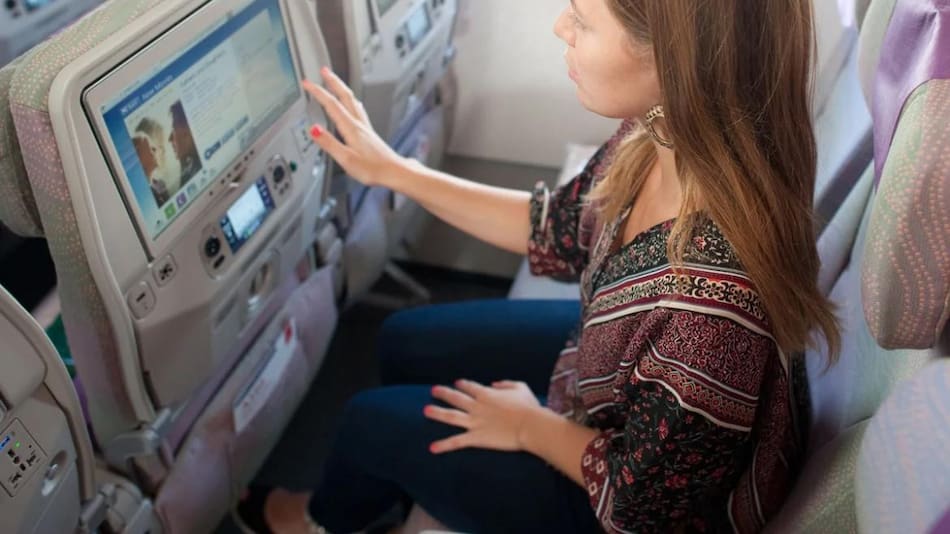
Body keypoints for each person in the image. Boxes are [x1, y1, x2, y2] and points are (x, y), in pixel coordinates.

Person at [234, 0, 840, 532]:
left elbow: (641, 507)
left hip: (622, 505)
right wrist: (394, 171)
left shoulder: (711, 310)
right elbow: (555, 229)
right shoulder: (662, 133)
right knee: (403, 341)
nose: (559, 27)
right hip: (607, 383)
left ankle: (316, 522)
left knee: (369, 423)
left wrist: (531, 429)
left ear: (673, 58)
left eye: (581, 18)